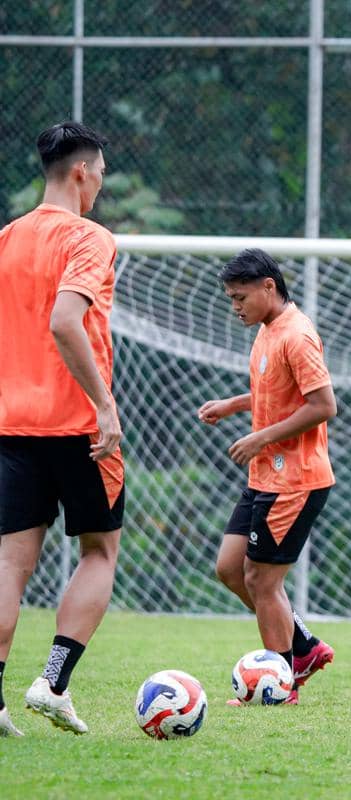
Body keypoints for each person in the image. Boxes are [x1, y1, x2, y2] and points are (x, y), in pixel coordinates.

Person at [0, 121, 122, 736]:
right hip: (78, 425)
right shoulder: (90, 238)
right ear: (81, 171)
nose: (101, 182)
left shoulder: (7, 238)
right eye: (100, 172)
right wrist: (104, 405)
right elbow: (64, 321)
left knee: (10, 563)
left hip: (14, 424)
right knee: (99, 550)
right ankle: (52, 681)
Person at [198, 248, 336, 705]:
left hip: (295, 479)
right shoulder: (266, 331)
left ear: (268, 287)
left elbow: (323, 406)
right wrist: (233, 405)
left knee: (261, 580)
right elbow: (269, 388)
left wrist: (258, 439)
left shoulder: (296, 335)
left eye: (241, 298)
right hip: (265, 477)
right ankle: (303, 647)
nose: (236, 306)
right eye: (231, 299)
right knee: (229, 569)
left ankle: (281, 684)